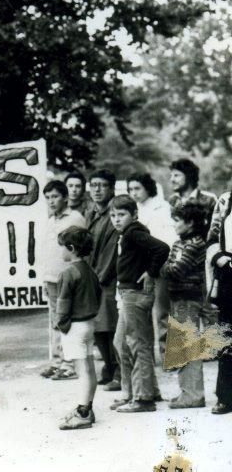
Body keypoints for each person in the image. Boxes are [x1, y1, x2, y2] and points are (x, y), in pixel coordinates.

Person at [108, 195, 170, 413]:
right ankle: (144, 391)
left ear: (134, 214)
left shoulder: (134, 232)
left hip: (135, 294)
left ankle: (144, 399)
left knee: (138, 344)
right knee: (121, 342)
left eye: (121, 215)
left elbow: (162, 248)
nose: (116, 219)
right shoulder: (127, 234)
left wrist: (150, 272)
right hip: (128, 293)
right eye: (113, 215)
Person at [160, 202, 209, 409]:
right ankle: (187, 392)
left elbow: (175, 270)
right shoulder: (180, 244)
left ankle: (193, 395)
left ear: (190, 223)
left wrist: (160, 266)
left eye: (178, 220)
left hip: (189, 299)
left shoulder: (195, 244)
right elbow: (170, 265)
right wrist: (166, 266)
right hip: (177, 298)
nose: (174, 224)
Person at [127, 172, 178, 361]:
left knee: (162, 311)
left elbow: (168, 240)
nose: (134, 193)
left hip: (159, 264)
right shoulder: (133, 210)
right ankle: (146, 354)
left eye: (137, 188)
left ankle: (168, 353)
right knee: (142, 310)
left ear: (148, 188)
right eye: (131, 189)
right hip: (138, 267)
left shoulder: (162, 208)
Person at [55, 226, 101, 430]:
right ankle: (88, 408)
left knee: (82, 372)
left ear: (71, 248)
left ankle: (83, 413)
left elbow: (63, 302)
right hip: (90, 323)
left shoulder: (68, 273)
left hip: (75, 326)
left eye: (63, 247)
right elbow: (98, 295)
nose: (61, 252)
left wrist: (61, 324)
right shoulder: (89, 271)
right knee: (90, 370)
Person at [40, 180, 86, 380]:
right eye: (48, 197)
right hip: (51, 278)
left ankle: (70, 364)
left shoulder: (75, 218)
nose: (51, 201)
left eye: (55, 196)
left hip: (68, 277)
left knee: (69, 320)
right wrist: (44, 277)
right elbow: (47, 252)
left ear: (65, 198)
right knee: (55, 321)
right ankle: (57, 361)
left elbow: (82, 249)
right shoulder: (50, 221)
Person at [84, 169, 121, 390]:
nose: (97, 190)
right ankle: (108, 365)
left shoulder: (114, 214)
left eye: (103, 185)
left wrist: (100, 278)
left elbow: (111, 251)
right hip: (92, 277)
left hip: (108, 278)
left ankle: (117, 370)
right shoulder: (91, 214)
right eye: (94, 185)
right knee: (97, 326)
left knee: (111, 326)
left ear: (111, 188)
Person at [207, 188, 232, 415]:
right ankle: (225, 396)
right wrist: (220, 258)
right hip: (229, 275)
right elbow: (212, 238)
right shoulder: (225, 200)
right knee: (227, 337)